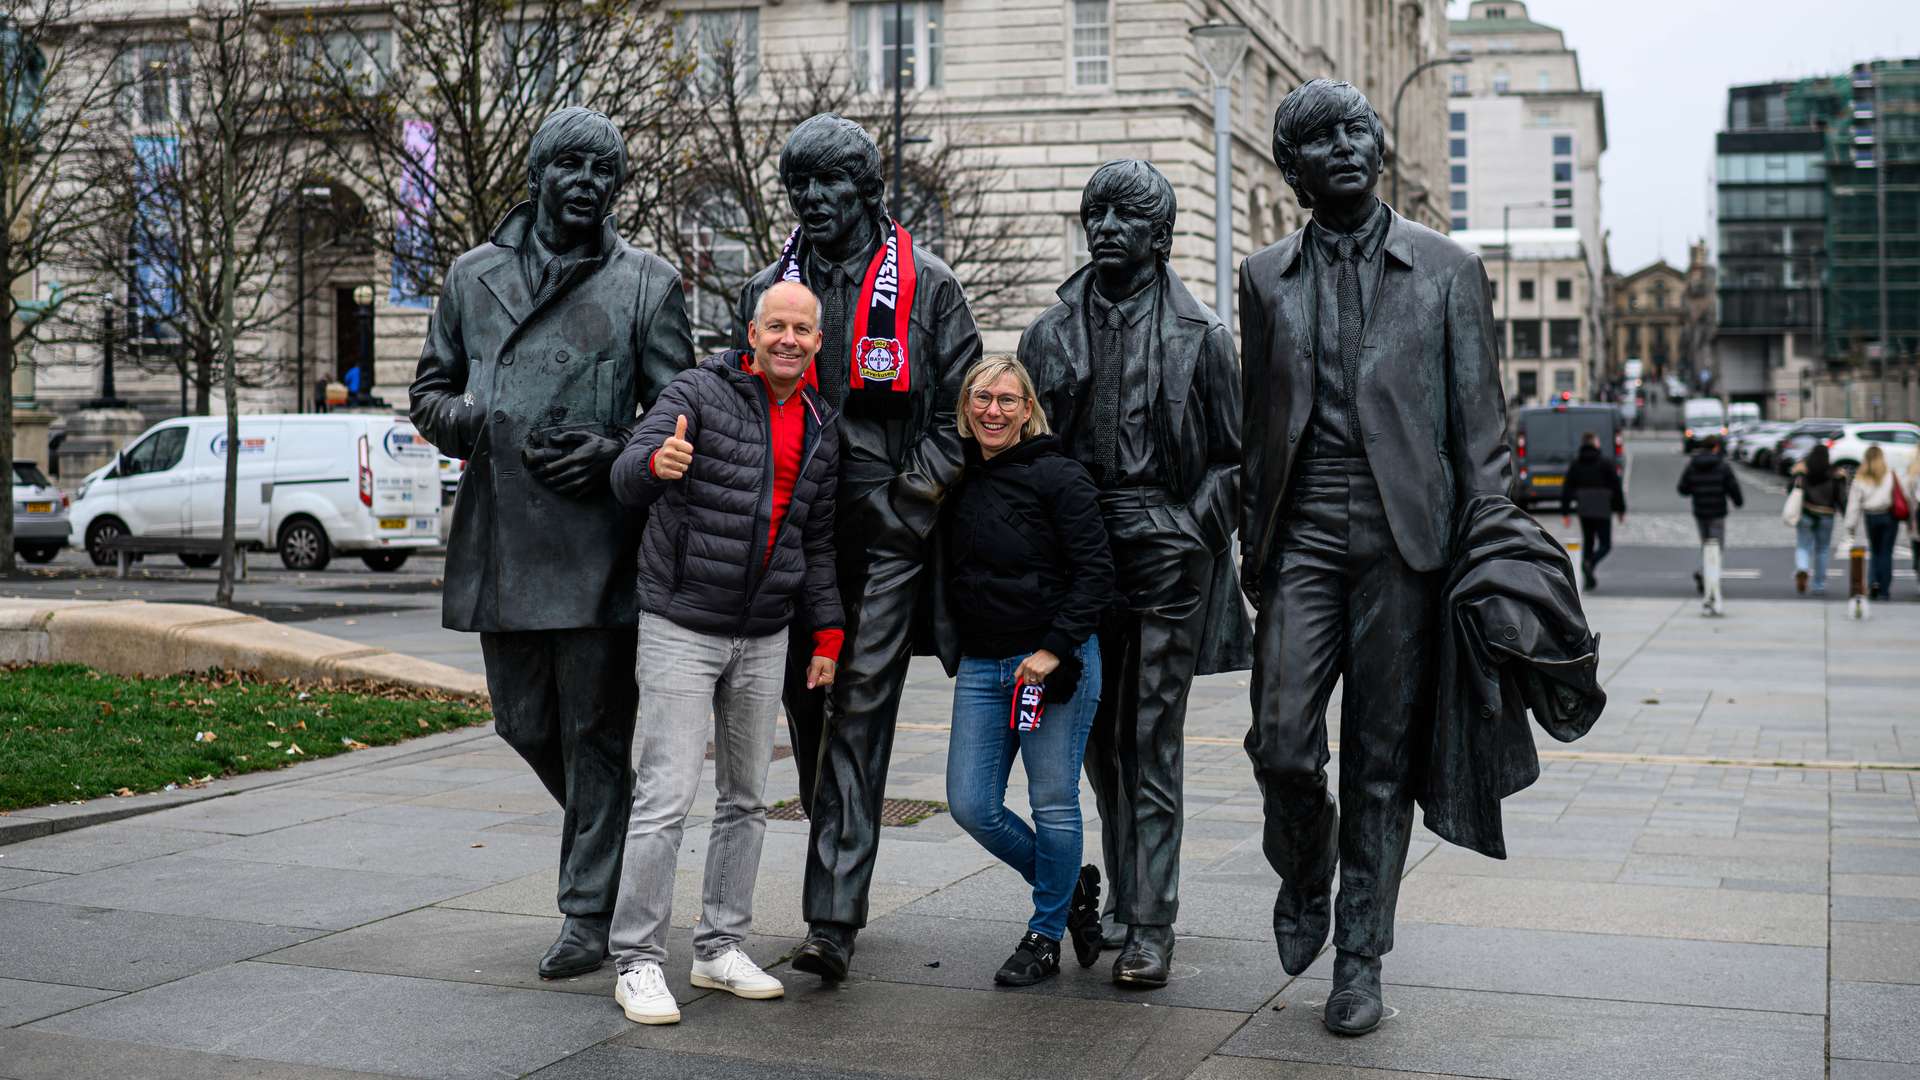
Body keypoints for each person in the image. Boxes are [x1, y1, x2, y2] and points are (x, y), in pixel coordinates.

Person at [1239, 79, 1517, 1036]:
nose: (1347, 147)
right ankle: (1306, 864)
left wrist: (1491, 558)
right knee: (1279, 741)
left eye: (1359, 130)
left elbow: (1481, 433)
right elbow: (1256, 423)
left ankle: (1359, 955)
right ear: (1295, 169)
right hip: (1302, 532)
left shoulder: (1447, 268)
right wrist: (1252, 542)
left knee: (1379, 759)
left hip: (1409, 541)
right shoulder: (1264, 274)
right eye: (1322, 138)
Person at [409, 107, 692, 979]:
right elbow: (429, 389)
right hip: (503, 534)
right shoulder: (471, 275)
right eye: (570, 165)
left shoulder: (647, 281)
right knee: (524, 721)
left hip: (598, 539)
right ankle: (619, 836)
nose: (587, 183)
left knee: (596, 730)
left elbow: (679, 406)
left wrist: (615, 451)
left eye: (604, 170)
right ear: (536, 175)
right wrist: (476, 423)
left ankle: (586, 909)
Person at [734, 113, 982, 980]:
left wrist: (909, 498)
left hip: (888, 534)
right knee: (810, 708)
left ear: (868, 190)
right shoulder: (771, 289)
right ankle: (834, 863)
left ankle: (831, 920)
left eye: (827, 185)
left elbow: (963, 412)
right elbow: (744, 399)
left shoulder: (931, 286)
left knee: (863, 708)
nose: (810, 201)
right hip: (796, 533)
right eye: (798, 186)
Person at [1019, 160, 1252, 988]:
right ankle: (1122, 894)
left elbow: (1234, 459)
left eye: (1128, 215)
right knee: (1098, 744)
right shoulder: (1047, 335)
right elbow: (1024, 453)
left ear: (1162, 236)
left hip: (1164, 545)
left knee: (1151, 738)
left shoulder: (1202, 337)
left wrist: (1193, 527)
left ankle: (1152, 921)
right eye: (1097, 212)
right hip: (1079, 554)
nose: (1108, 225)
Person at [602, 280, 842, 1025]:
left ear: (818, 342)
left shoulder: (818, 422)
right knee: (665, 798)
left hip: (766, 630)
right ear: (753, 331)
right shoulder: (697, 394)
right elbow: (627, 469)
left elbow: (817, 540)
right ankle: (638, 961)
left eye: (802, 328)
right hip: (682, 623)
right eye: (777, 325)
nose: (788, 339)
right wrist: (654, 468)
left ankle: (718, 948)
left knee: (747, 799)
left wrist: (827, 634)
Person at [933, 355, 1114, 987]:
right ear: (965, 407)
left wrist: (1053, 649)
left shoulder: (1058, 476)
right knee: (971, 804)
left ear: (1028, 409)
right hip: (984, 666)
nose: (993, 410)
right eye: (983, 398)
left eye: (1009, 400)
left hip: (1050, 665)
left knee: (1053, 801)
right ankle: (1070, 891)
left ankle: (1044, 934)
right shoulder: (956, 479)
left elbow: (1097, 574)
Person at [1677, 433, 1743, 608]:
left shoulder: (1693, 464)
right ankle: (1706, 574)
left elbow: (1683, 488)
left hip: (1700, 511)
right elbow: (1732, 486)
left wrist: (1696, 488)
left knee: (1706, 544)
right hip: (1717, 511)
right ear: (1716, 447)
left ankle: (1706, 575)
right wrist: (1737, 501)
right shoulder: (1722, 465)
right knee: (1716, 546)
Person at [1559, 431, 1626, 590]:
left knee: (1588, 542)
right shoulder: (1605, 463)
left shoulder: (1576, 464)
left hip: (1584, 507)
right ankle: (1590, 564)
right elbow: (1616, 487)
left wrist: (1565, 511)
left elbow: (1567, 488)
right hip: (1602, 506)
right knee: (1605, 544)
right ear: (1594, 443)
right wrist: (1620, 510)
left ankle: (1588, 575)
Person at [1843, 445, 1899, 601]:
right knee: (1886, 552)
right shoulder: (1889, 474)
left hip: (1870, 516)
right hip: (1888, 515)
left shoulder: (1860, 478)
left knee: (1874, 551)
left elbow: (1854, 504)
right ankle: (1884, 590)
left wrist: (1850, 526)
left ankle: (1873, 582)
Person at [1789, 444, 1846, 597]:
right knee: (1822, 550)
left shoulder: (1803, 470)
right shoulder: (1835, 472)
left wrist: (1796, 474)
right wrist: (1846, 513)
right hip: (1826, 514)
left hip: (1806, 512)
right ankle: (1819, 585)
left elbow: (1790, 489)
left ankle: (1802, 568)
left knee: (1803, 545)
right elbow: (1841, 497)